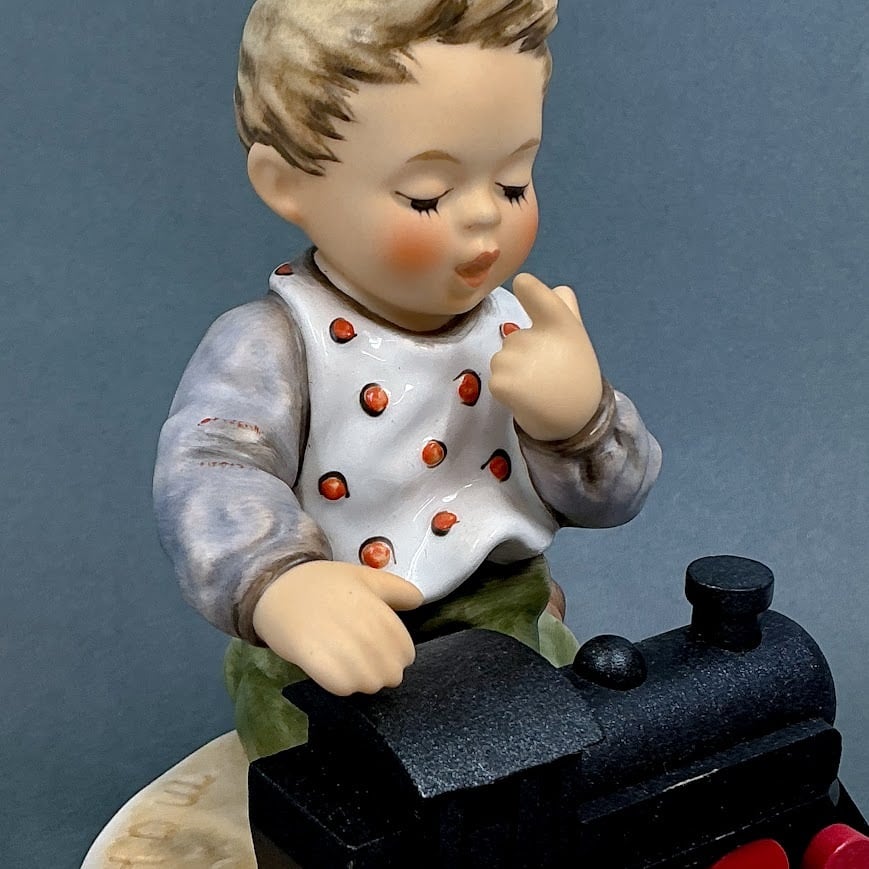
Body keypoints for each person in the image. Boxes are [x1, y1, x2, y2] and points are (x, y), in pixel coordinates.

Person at [154, 0, 662, 761]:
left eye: (514, 182)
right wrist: (282, 584)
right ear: (287, 185)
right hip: (331, 657)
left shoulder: (518, 328)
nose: (484, 217)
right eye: (426, 195)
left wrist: (578, 422)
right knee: (336, 783)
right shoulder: (275, 343)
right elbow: (211, 471)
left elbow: (615, 499)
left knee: (568, 758)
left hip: (506, 622)